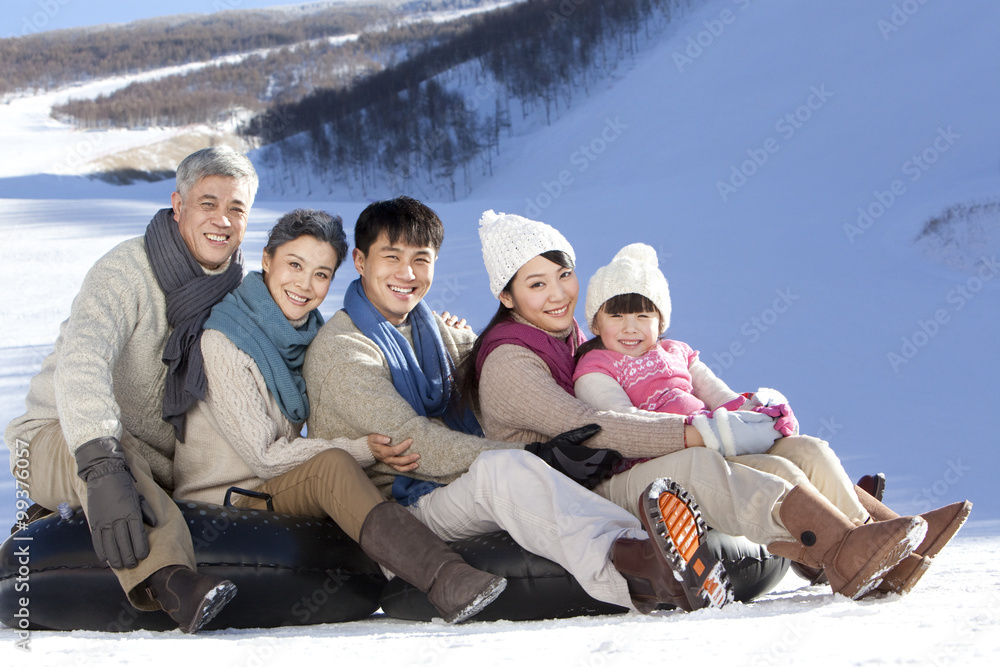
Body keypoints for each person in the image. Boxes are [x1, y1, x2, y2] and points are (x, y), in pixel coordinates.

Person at [467, 210, 969, 601]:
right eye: (536, 284)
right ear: (506, 296)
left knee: (783, 455)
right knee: (700, 464)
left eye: (564, 275)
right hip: (576, 498)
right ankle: (842, 554)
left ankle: (880, 536)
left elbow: (691, 386)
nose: (558, 294)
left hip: (630, 466)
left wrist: (756, 412)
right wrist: (703, 432)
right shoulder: (511, 360)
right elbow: (593, 427)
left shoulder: (577, 334)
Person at [302, 196, 733, 613]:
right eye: (391, 257)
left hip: (449, 493)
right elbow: (419, 448)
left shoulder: (435, 331)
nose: (408, 272)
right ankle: (639, 572)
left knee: (521, 469)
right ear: (360, 262)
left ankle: (663, 550)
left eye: (421, 258)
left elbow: (493, 366)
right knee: (503, 470)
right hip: (399, 516)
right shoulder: (343, 351)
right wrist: (534, 455)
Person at [173, 208, 507, 624]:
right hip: (228, 498)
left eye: (321, 274)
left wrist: (446, 330)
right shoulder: (224, 341)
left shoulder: (308, 334)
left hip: (278, 489)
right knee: (333, 464)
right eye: (294, 265)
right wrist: (364, 449)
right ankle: (444, 579)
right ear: (266, 259)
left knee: (336, 465)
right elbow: (264, 456)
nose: (305, 284)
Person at [4, 146, 259, 633]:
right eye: (208, 203)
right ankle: (171, 583)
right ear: (178, 204)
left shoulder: (238, 294)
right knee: (116, 456)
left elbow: (292, 343)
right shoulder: (127, 270)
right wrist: (100, 465)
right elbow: (83, 359)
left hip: (157, 462)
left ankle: (43, 527)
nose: (222, 220)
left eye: (237, 208)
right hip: (59, 435)